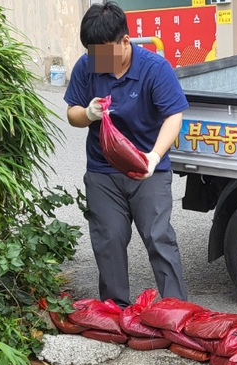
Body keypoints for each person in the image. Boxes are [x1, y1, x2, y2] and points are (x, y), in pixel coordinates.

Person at [64, 1, 189, 308]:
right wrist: (89, 113)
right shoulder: (88, 65)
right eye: (92, 53)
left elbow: (174, 116)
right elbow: (72, 114)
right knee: (108, 240)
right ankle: (115, 310)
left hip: (148, 168)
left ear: (125, 41)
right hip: (103, 170)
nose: (97, 60)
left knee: (159, 237)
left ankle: (176, 311)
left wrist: (154, 157)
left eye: (103, 52)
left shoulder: (154, 68)